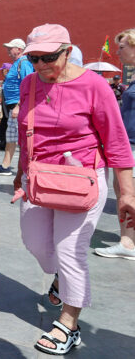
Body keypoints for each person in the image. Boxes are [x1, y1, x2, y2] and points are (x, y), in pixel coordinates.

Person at [12, 24, 134, 354]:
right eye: (33, 58)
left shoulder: (94, 86)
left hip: (81, 179)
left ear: (68, 50)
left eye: (48, 57)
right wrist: (20, 173)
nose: (40, 65)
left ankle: (69, 323)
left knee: (71, 251)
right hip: (38, 177)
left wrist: (126, 193)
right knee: (36, 243)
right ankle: (61, 279)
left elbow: (118, 143)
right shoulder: (28, 83)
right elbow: (26, 133)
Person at [95, 29, 135, 260]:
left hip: (133, 143)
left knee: (126, 193)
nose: (118, 52)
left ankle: (128, 243)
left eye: (122, 47)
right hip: (128, 141)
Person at [0, 38, 34, 175]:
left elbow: (29, 86)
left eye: (11, 48)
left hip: (17, 105)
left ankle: (25, 168)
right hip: (12, 104)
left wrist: (18, 106)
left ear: (19, 49)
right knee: (11, 137)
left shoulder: (24, 63)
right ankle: (6, 166)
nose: (8, 50)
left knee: (18, 137)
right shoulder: (18, 63)